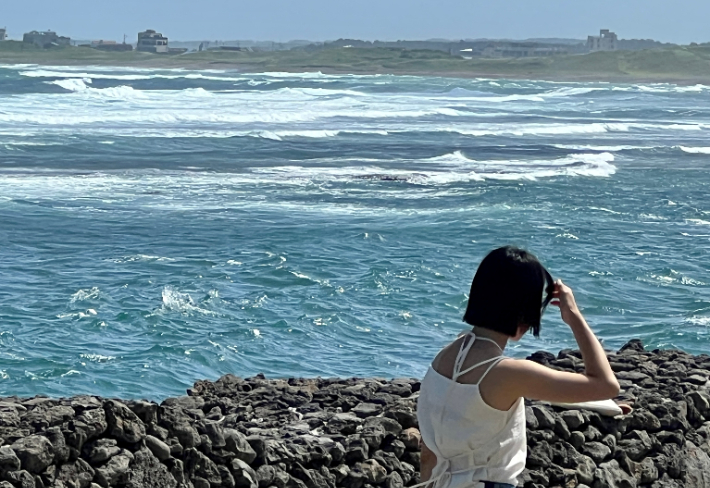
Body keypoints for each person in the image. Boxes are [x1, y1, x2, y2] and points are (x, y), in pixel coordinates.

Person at [415, 246, 620, 488]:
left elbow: (429, 454)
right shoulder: (508, 373)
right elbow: (606, 385)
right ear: (524, 312)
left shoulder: (445, 357)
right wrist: (573, 315)